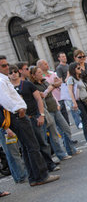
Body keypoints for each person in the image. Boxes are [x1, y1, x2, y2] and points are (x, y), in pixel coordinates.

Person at [0, 57, 59, 187]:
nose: (7, 68)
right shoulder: (1, 80)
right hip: (17, 115)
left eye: (7, 64)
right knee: (32, 146)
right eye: (4, 66)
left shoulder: (4, 79)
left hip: (17, 115)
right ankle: (41, 176)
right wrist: (19, 110)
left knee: (27, 147)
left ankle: (33, 176)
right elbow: (5, 99)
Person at [29, 66, 73, 160]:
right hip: (47, 110)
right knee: (54, 135)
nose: (41, 74)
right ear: (33, 75)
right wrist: (49, 89)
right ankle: (61, 154)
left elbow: (52, 92)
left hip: (54, 106)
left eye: (41, 72)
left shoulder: (45, 81)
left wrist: (56, 102)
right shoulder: (33, 86)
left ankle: (70, 149)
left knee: (66, 128)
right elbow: (41, 96)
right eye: (39, 73)